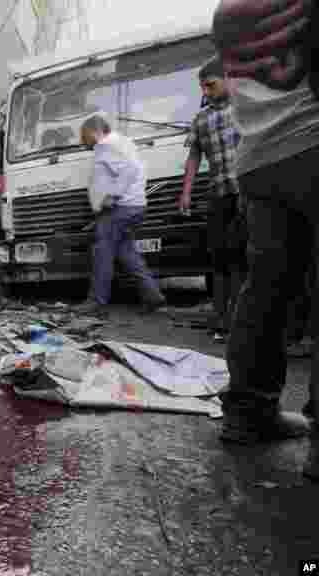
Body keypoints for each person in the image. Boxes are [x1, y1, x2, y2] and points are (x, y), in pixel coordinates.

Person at [211, 0, 316, 453]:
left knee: (267, 286)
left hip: (257, 157)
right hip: (311, 142)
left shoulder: (227, 10)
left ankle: (248, 414)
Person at [72, 115, 167, 316]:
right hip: (133, 206)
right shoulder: (121, 142)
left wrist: (113, 194)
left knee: (102, 254)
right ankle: (152, 295)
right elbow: (135, 168)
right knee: (127, 253)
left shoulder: (106, 145)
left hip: (119, 209)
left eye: (83, 136)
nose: (82, 142)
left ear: (94, 132)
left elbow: (130, 169)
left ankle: (97, 302)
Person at [182, 57, 245, 344]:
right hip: (218, 194)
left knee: (244, 258)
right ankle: (221, 319)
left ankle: (243, 320)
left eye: (210, 85)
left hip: (247, 193)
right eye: (203, 88)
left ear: (228, 78)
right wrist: (185, 191)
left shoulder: (245, 108)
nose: (205, 92)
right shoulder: (201, 118)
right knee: (219, 258)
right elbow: (194, 155)